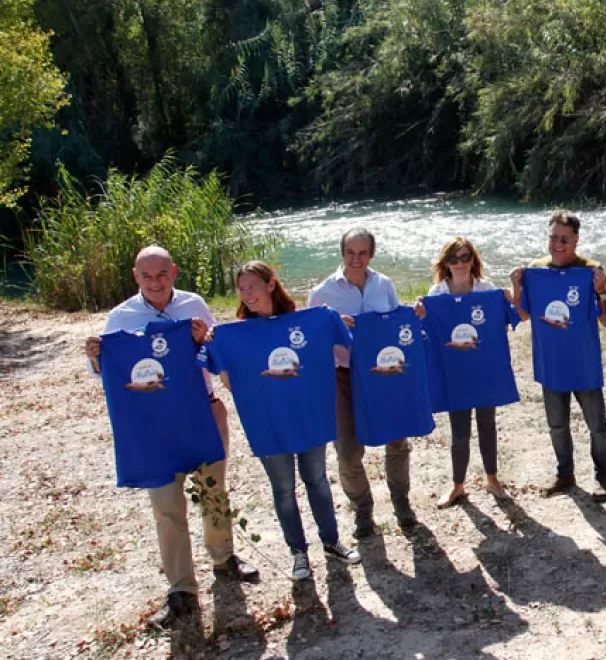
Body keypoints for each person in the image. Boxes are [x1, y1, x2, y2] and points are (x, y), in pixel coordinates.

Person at [83, 246, 259, 629]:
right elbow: (106, 373)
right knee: (166, 507)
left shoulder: (194, 305)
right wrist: (97, 356)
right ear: (135, 277)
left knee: (214, 491)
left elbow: (216, 354)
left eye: (162, 274)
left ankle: (224, 558)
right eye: (147, 276)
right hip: (153, 426)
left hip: (203, 413)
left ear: (174, 272)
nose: (155, 282)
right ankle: (181, 589)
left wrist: (204, 340)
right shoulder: (119, 318)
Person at [220, 261, 361, 580]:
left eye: (252, 286)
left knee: (317, 480)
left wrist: (334, 322)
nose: (246, 294)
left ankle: (332, 542)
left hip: (306, 415)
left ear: (271, 285)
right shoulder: (236, 333)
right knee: (283, 489)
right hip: (268, 423)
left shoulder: (306, 321)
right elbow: (229, 381)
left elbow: (341, 339)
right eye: (241, 289)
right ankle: (298, 553)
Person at [307, 228, 416, 537]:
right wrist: (332, 328)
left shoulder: (384, 285)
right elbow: (311, 345)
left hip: (385, 377)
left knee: (397, 442)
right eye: (350, 252)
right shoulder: (322, 294)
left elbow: (397, 324)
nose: (356, 259)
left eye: (362, 253)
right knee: (348, 452)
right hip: (343, 378)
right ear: (342, 253)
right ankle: (363, 511)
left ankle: (401, 503)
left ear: (372, 254)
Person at [510, 210, 606, 502]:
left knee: (597, 427)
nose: (557, 244)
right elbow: (523, 314)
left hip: (584, 363)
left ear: (576, 240)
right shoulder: (536, 269)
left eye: (564, 239)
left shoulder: (591, 269)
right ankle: (565, 474)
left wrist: (602, 291)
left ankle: (602, 478)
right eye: (553, 237)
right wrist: (517, 287)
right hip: (550, 362)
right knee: (557, 425)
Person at [426, 236, 513, 508]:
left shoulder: (486, 290)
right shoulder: (435, 295)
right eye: (454, 259)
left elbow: (504, 327)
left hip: (483, 370)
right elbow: (426, 333)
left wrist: (506, 300)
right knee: (459, 431)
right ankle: (457, 486)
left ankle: (493, 480)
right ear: (446, 264)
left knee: (487, 424)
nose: (460, 263)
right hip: (455, 374)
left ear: (473, 260)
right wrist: (419, 312)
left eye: (465, 257)